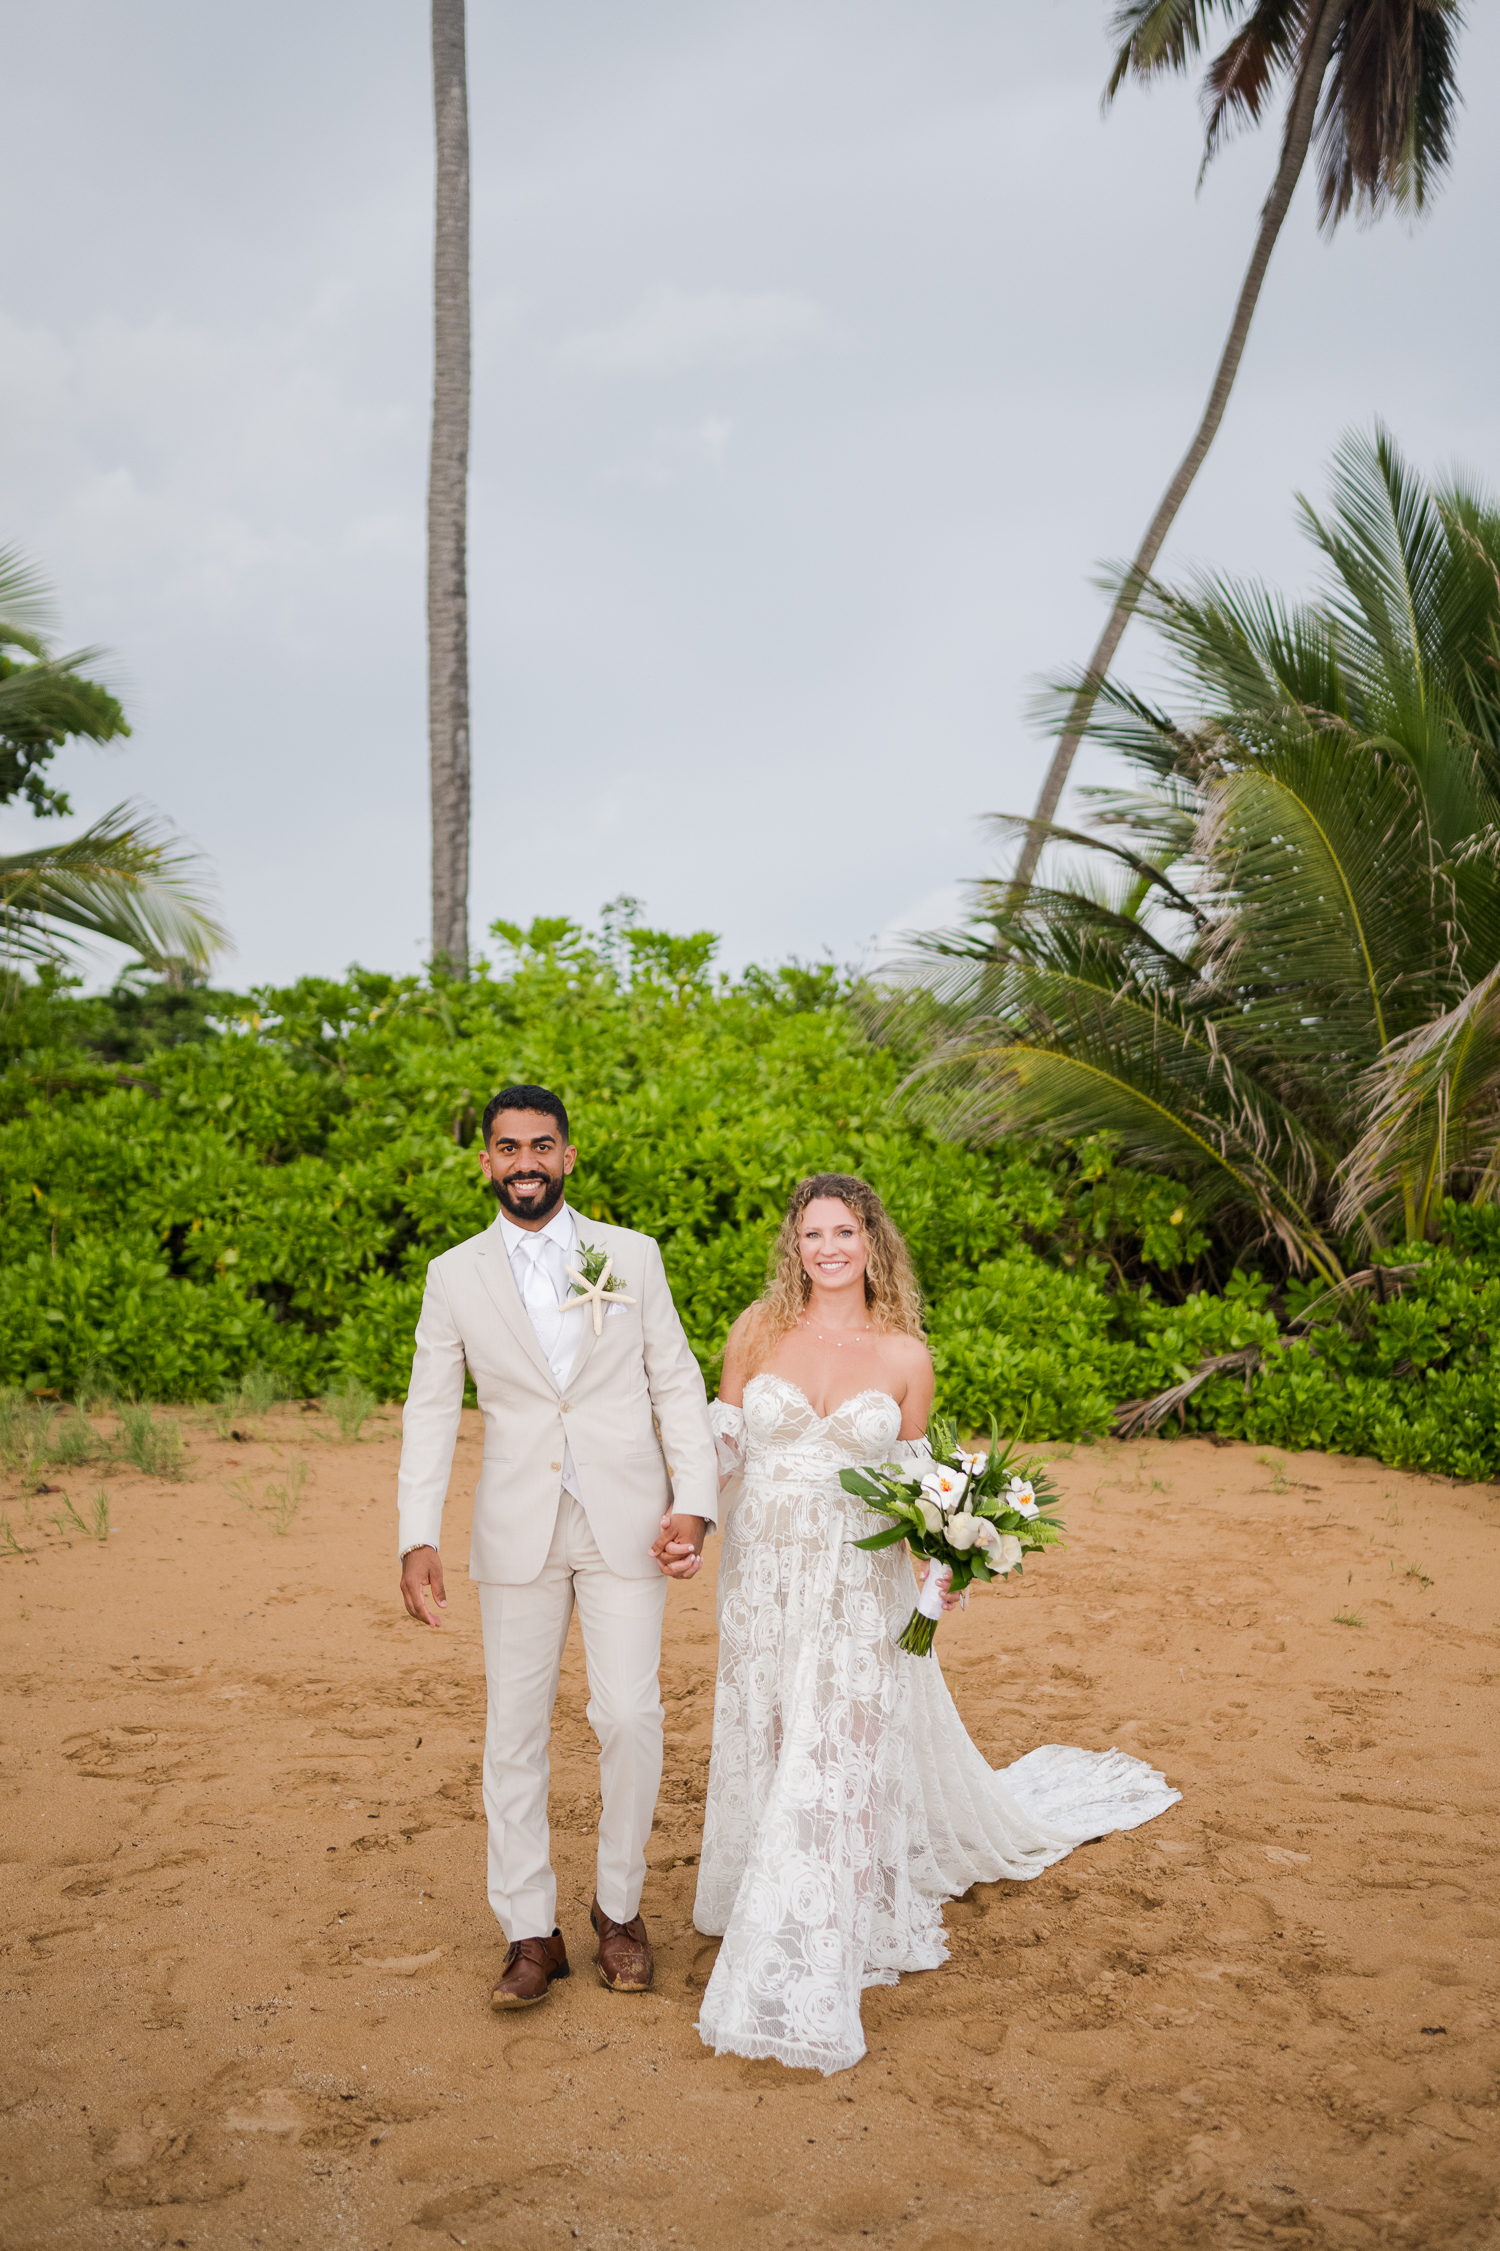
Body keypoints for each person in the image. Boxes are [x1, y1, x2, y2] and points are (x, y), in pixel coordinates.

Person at [694, 1172, 1180, 2074]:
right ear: (793, 1247)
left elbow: (921, 1485)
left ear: (872, 1242)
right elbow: (719, 1451)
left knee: (835, 1746)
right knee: (768, 1725)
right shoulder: (756, 1329)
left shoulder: (906, 1355)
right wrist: (682, 1521)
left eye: (844, 1232)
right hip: (763, 1574)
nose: (828, 1248)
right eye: (812, 1234)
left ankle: (812, 1930)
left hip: (856, 1580)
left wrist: (947, 1562)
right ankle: (758, 1880)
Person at [396, 1084, 717, 2010]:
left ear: (568, 1156)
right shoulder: (453, 1275)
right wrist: (417, 1533)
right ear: (487, 1161)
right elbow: (428, 1409)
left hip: (626, 1517)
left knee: (628, 1716)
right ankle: (530, 1930)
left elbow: (675, 1381)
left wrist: (692, 1502)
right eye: (508, 1147)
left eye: (542, 1145)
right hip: (516, 1525)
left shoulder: (631, 1255)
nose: (525, 1160)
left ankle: (618, 1907)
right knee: (515, 1729)